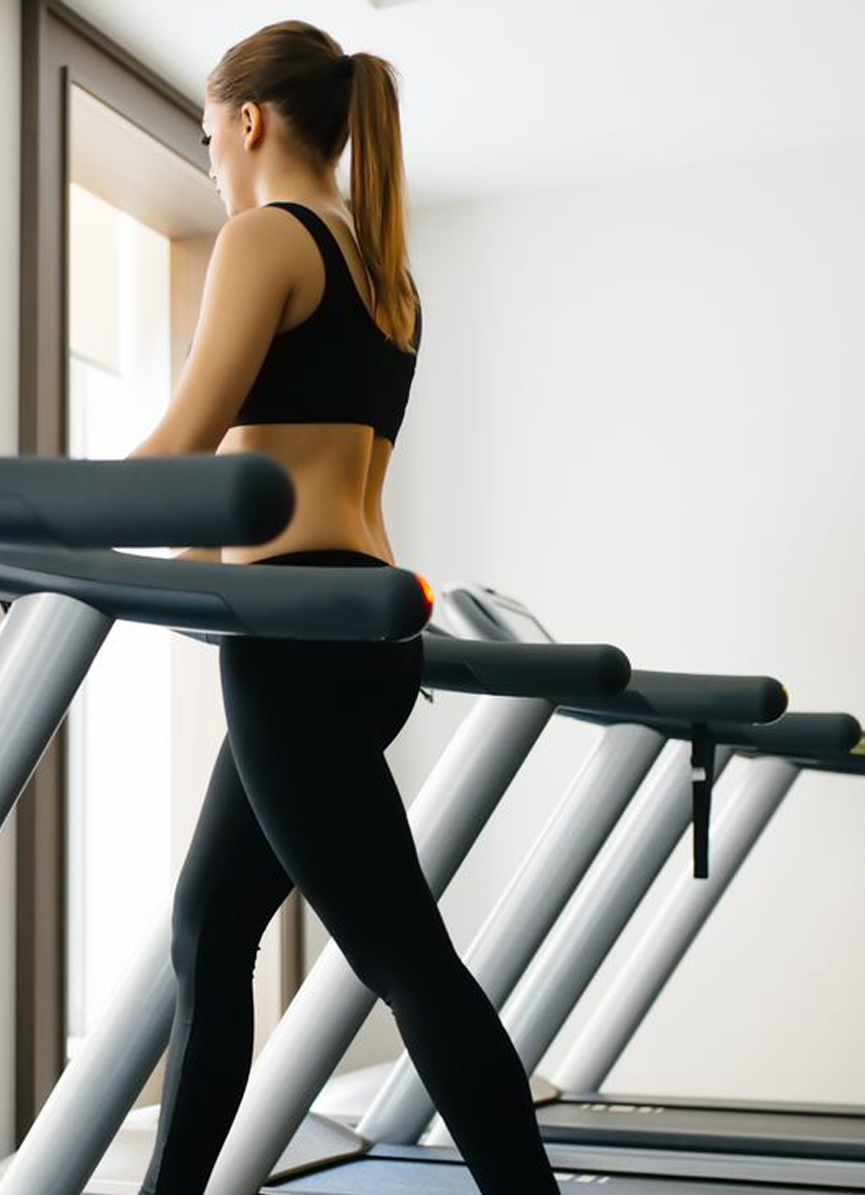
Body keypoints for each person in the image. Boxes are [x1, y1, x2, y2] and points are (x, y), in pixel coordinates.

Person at [124, 20, 561, 1195]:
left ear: (251, 122)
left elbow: (182, 447)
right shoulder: (385, 269)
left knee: (406, 958)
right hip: (359, 624)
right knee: (209, 934)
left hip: (295, 633)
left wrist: (22, 508)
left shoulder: (266, 237)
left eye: (209, 134)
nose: (211, 159)